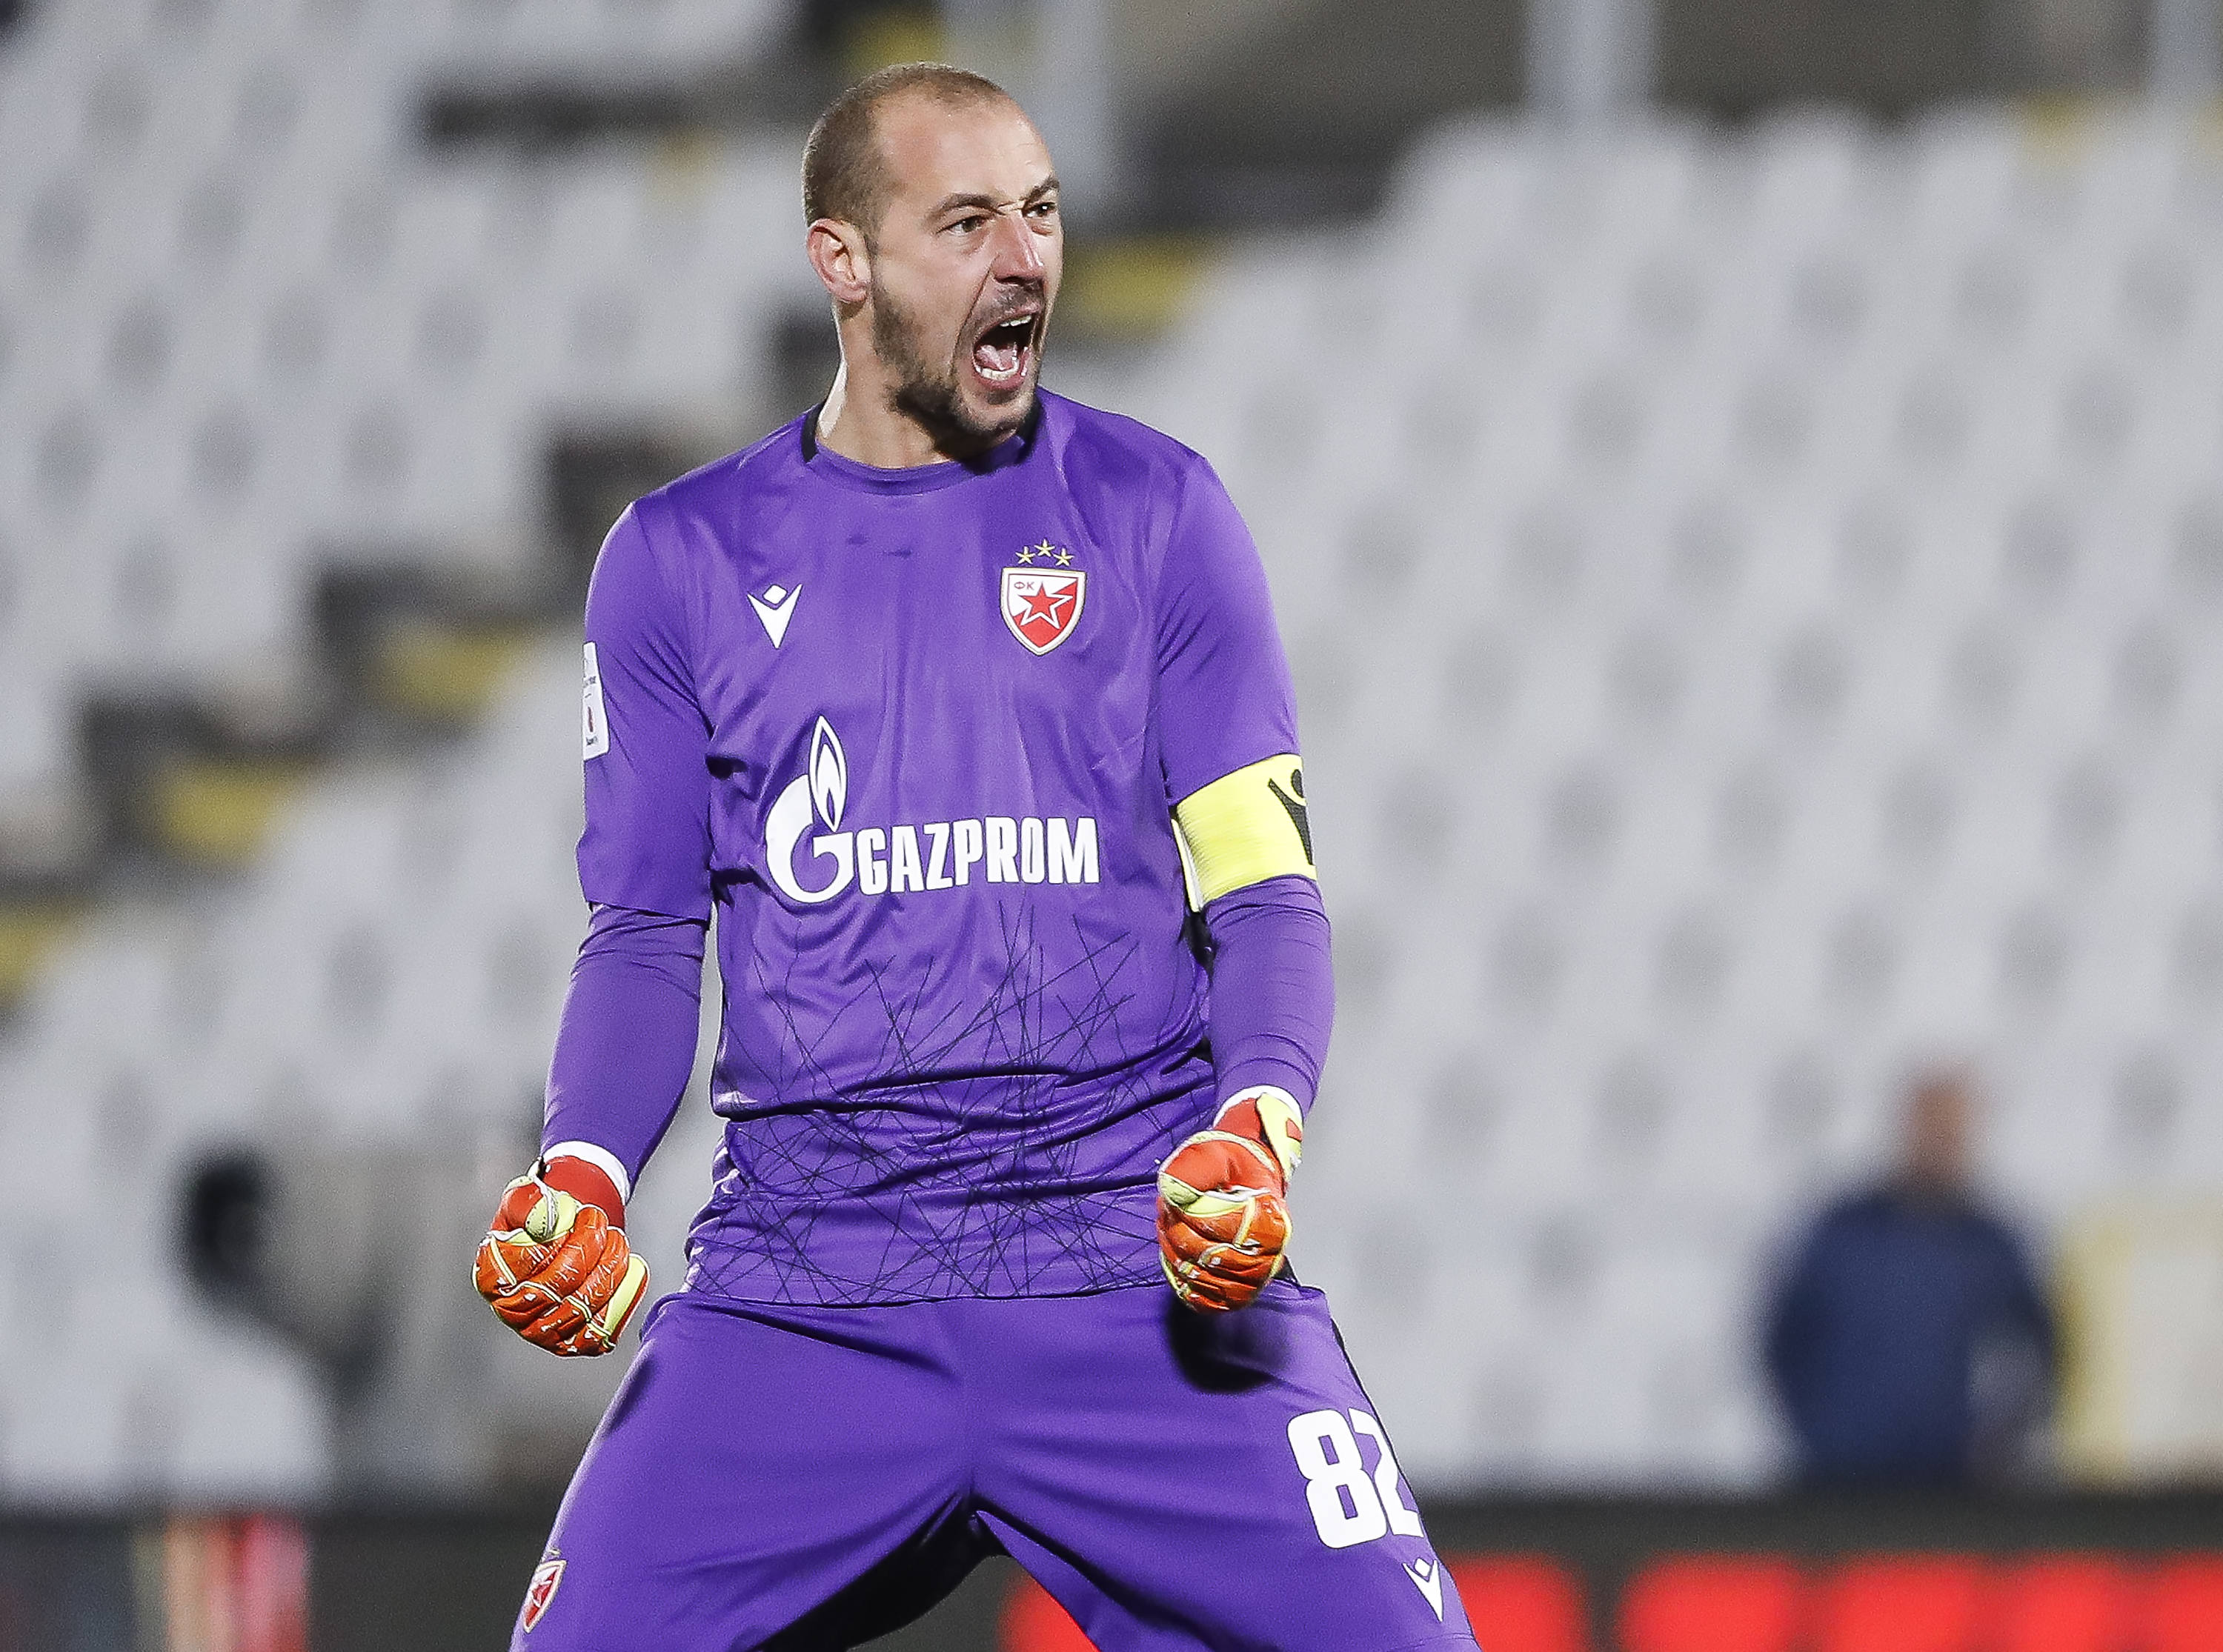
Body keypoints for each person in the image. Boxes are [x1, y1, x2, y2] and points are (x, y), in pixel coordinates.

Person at [470, 62, 1480, 1651]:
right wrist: (584, 1172)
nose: (1025, 258)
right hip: (808, 1293)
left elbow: (1266, 895)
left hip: (1133, 1271)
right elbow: (646, 931)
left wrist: (1257, 1126)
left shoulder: (1160, 513)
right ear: (844, 260)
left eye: (1043, 213)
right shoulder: (679, 561)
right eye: (967, 223)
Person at [1764, 1068, 2056, 1486]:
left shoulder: (1991, 1244)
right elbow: (1783, 1339)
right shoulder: (1842, 1232)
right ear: (1907, 1127)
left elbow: (2040, 1350)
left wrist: (2001, 1443)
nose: (1941, 1141)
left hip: (1952, 1485)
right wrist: (1818, 1432)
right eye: (1931, 1124)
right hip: (1839, 1480)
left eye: (1953, 1130)